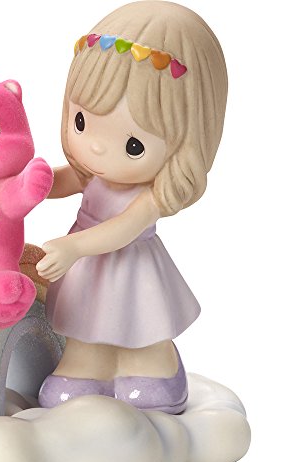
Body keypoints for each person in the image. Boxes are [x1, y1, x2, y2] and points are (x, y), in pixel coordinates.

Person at [36, 0, 228, 413]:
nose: (96, 148)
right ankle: (85, 365)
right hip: (88, 268)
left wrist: (74, 247)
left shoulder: (147, 197)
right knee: (83, 321)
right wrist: (27, 185)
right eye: (82, 122)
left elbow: (124, 228)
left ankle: (155, 367)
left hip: (130, 268)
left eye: (133, 145)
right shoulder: (94, 173)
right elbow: (65, 180)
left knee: (140, 323)